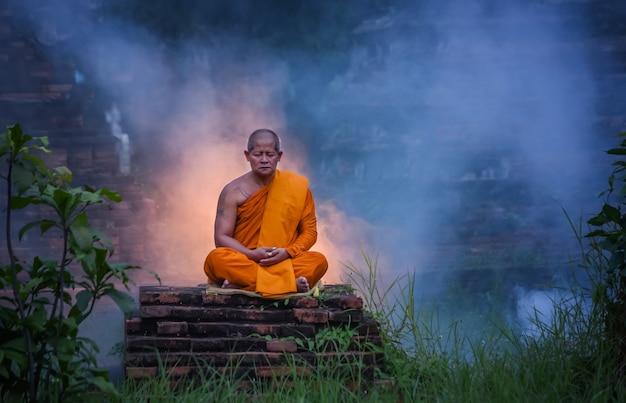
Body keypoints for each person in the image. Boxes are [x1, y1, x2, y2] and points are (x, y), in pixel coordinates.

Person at [203, 128, 328, 298]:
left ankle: (244, 283)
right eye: (258, 154)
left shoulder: (298, 188)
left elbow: (310, 231)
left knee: (318, 261)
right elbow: (222, 238)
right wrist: (252, 254)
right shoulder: (233, 191)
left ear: (279, 156)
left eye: (269, 154)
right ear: (247, 156)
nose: (264, 160)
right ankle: (289, 284)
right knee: (216, 259)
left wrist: (288, 252)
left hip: (285, 260)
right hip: (246, 260)